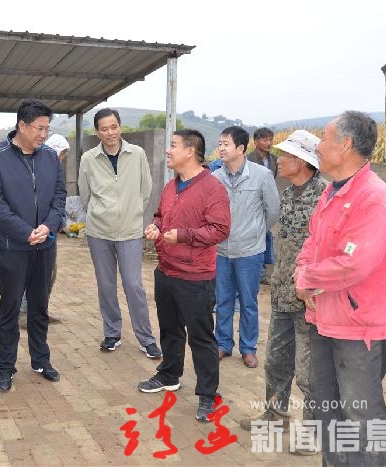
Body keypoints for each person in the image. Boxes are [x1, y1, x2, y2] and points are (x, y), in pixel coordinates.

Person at [295, 111, 386, 466]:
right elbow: (311, 242)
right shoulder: (331, 192)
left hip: (358, 328)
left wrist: (307, 278)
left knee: (362, 420)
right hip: (324, 320)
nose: (318, 146)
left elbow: (355, 264)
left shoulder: (374, 197)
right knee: (328, 413)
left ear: (346, 144)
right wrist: (302, 272)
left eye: (324, 138)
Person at [239, 131, 327, 453]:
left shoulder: (324, 197)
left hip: (309, 299)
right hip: (282, 294)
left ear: (302, 162)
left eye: (287, 156)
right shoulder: (288, 194)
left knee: (309, 372)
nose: (280, 160)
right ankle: (275, 414)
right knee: (276, 361)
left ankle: (316, 432)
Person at [137, 129, 231, 422]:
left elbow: (220, 230)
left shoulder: (212, 188)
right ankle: (169, 374)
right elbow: (160, 215)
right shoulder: (171, 186)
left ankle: (207, 394)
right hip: (166, 270)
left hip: (195, 276)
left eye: (174, 145)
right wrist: (155, 226)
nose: (168, 150)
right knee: (170, 329)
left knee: (201, 337)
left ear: (190, 151)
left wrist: (184, 235)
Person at [0, 98, 66, 392]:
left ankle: (41, 360)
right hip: (12, 247)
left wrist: (48, 227)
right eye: (39, 128)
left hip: (45, 245)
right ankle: (5, 367)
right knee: (10, 307)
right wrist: (25, 232)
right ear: (21, 125)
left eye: (47, 128)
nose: (44, 134)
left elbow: (59, 196)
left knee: (39, 306)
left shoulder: (50, 157)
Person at [78, 108, 161, 358]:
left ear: (120, 127)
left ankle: (146, 338)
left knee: (134, 285)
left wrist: (132, 213)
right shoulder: (89, 159)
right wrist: (100, 213)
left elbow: (146, 190)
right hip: (99, 232)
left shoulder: (137, 154)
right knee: (106, 285)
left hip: (130, 231)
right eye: (104, 129)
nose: (110, 133)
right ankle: (112, 333)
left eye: (114, 127)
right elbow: (85, 194)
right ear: (97, 132)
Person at [212, 126, 280, 368]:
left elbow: (273, 210)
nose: (221, 148)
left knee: (249, 302)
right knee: (223, 301)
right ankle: (222, 343)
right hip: (221, 251)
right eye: (220, 143)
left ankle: (248, 348)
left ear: (240, 148)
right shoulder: (215, 178)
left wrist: (256, 232)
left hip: (250, 252)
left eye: (226, 144)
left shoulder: (262, 175)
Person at [17, 133, 69, 329]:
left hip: (49, 233)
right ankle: (24, 314)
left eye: (64, 155)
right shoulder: (34, 169)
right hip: (34, 232)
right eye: (60, 154)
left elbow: (58, 199)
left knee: (48, 274)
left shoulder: (54, 171)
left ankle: (40, 311)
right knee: (31, 274)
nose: (62, 158)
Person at [247, 127, 279, 285]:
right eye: (265, 139)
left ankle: (263, 272)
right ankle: (257, 272)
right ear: (256, 141)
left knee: (266, 235)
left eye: (271, 139)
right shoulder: (248, 159)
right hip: (253, 202)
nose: (269, 143)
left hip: (267, 202)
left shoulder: (275, 160)